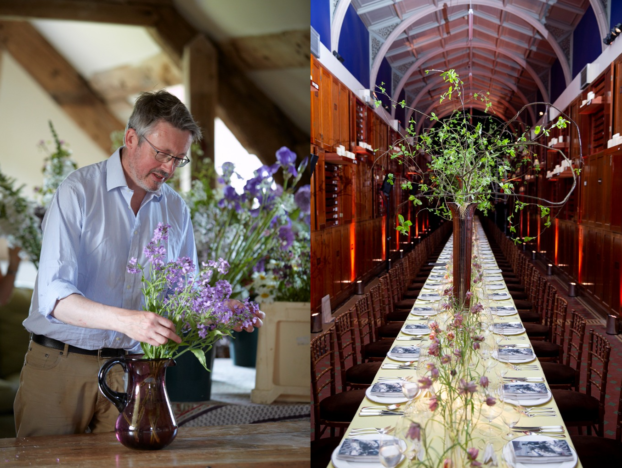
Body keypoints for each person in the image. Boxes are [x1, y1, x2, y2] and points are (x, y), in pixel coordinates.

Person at [14, 91, 264, 437]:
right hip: (59, 365)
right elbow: (54, 298)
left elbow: (183, 294)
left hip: (130, 372)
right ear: (131, 138)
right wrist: (130, 323)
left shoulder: (176, 209)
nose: (169, 168)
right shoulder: (78, 192)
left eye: (179, 159)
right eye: (162, 154)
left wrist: (219, 309)